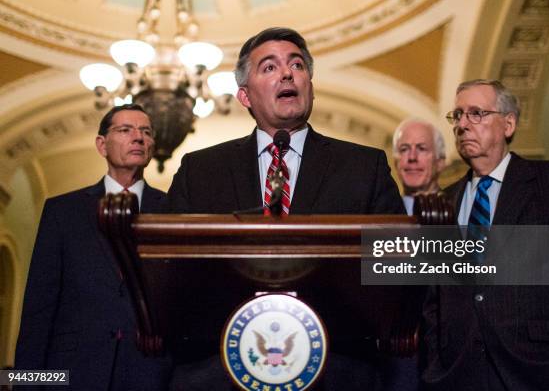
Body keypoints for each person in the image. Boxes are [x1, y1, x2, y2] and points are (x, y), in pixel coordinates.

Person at [167, 27, 416, 390]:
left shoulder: (364, 167)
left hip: (338, 368)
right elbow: (171, 267)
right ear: (244, 96)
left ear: (310, 85)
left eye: (296, 65)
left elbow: (399, 262)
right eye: (268, 67)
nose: (286, 73)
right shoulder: (200, 170)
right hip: (217, 369)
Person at [419, 79, 549, 390]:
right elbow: (434, 301)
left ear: (508, 124)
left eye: (476, 113)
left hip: (548, 372)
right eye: (457, 115)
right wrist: (435, 368)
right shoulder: (441, 205)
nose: (463, 124)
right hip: (461, 375)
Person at [15, 104, 171, 390]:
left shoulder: (174, 211)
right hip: (72, 374)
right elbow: (39, 308)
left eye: (146, 132)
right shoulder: (62, 211)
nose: (138, 137)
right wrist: (25, 383)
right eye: (125, 130)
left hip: (151, 373)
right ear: (102, 145)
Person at [392, 119, 446, 215]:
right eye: (404, 149)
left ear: (440, 162)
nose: (412, 157)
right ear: (395, 162)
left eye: (422, 149)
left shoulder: (456, 209)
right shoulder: (383, 213)